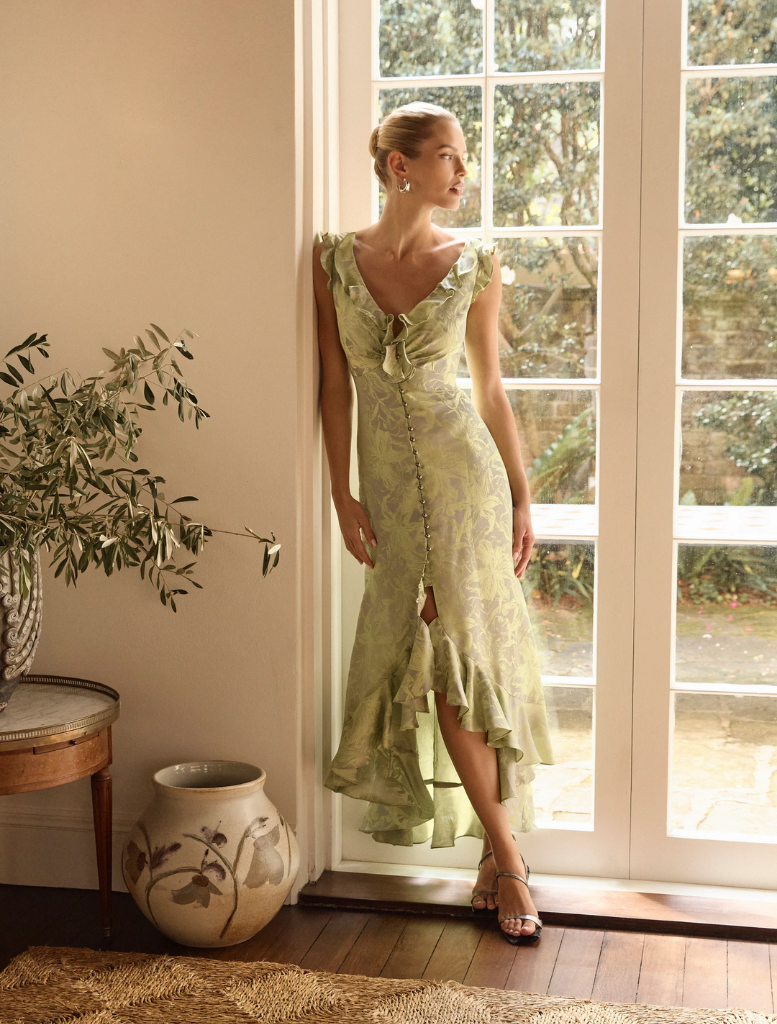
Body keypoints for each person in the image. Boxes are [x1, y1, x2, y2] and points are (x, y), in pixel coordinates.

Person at [313, 101, 554, 945]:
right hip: (385, 492)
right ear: (398, 166)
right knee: (424, 660)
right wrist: (338, 493)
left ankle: (507, 859)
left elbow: (488, 389)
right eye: (447, 156)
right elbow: (334, 385)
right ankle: (500, 857)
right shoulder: (335, 261)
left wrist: (522, 497)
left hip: (465, 487)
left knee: (455, 660)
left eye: (464, 157)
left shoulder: (476, 260)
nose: (463, 173)